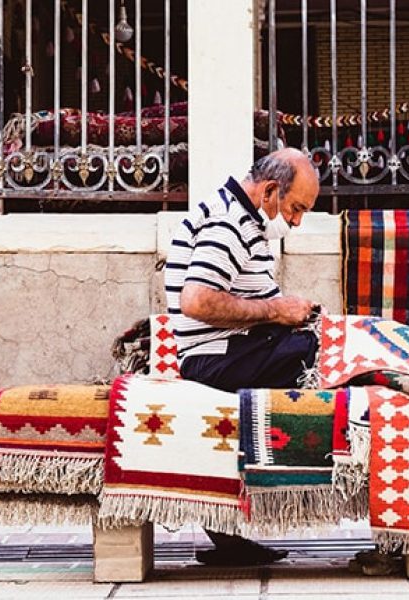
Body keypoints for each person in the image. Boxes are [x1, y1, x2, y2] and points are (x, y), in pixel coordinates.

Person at [164, 148, 320, 565]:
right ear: (270, 191)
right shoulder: (229, 223)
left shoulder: (244, 220)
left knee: (322, 341)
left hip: (236, 349)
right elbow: (196, 301)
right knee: (326, 352)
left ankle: (234, 529)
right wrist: (276, 310)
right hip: (216, 358)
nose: (297, 221)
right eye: (296, 208)